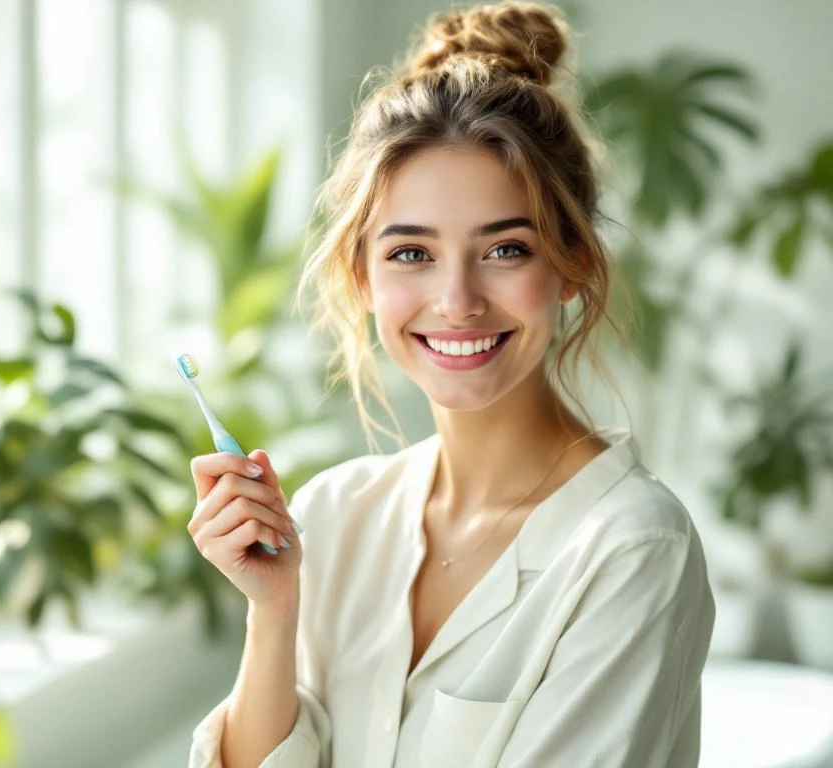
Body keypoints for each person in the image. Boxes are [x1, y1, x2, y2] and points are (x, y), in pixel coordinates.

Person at [186, 2, 715, 766]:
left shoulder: (632, 550)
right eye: (411, 254)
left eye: (504, 249)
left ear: (572, 265)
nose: (458, 300)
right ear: (359, 275)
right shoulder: (333, 516)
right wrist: (272, 613)